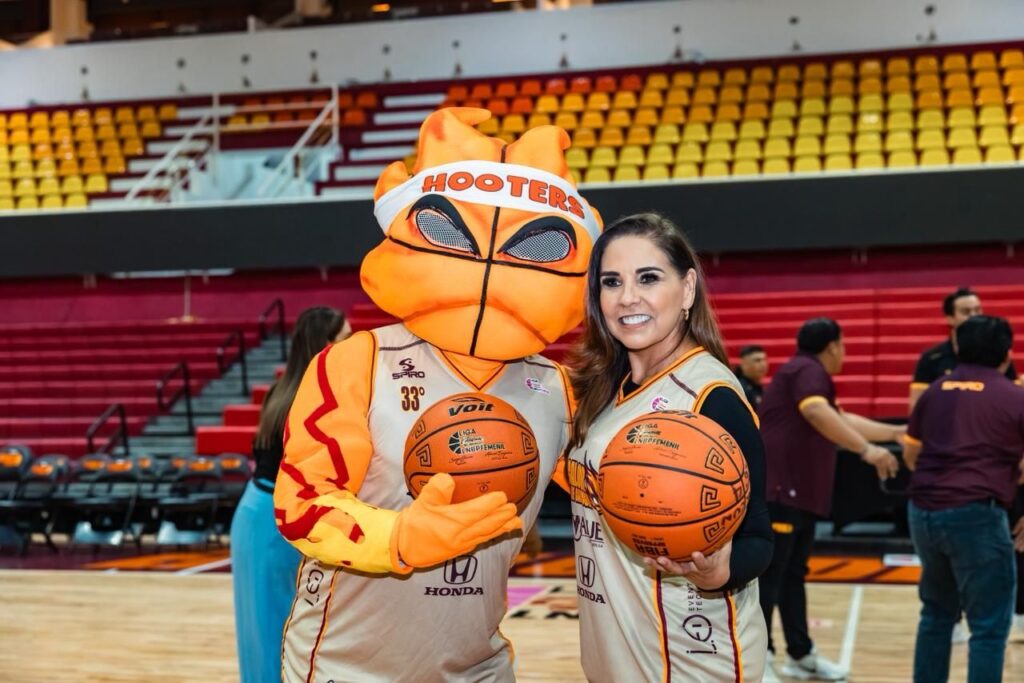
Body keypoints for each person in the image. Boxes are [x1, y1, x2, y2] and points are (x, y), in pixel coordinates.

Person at [273, 107, 602, 682]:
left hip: (478, 665)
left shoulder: (557, 389)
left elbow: (609, 490)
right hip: (347, 665)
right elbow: (301, 503)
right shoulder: (357, 361)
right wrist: (399, 537)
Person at [566, 212, 773, 682]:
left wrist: (718, 573)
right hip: (616, 656)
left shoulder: (710, 396)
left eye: (648, 278)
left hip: (687, 659)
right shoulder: (603, 389)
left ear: (688, 289)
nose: (628, 297)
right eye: (611, 281)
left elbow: (759, 538)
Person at [758, 317, 904, 681]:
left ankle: (800, 654)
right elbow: (816, 412)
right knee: (771, 577)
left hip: (799, 494)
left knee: (793, 575)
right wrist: (868, 451)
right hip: (781, 491)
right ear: (833, 346)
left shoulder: (802, 373)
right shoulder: (808, 370)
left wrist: (894, 434)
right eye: (844, 345)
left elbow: (840, 418)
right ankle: (758, 658)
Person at [229, 306, 349, 683]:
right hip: (275, 517)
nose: (353, 346)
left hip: (256, 510)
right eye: (346, 338)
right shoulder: (311, 398)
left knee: (268, 628)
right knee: (277, 631)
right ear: (325, 344)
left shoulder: (280, 390)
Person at [903, 315, 1024, 683]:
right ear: (1007, 353)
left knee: (936, 615)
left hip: (923, 513)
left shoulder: (934, 391)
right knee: (988, 626)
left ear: (957, 347)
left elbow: (911, 454)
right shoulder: (1015, 396)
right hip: (977, 514)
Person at [909, 287, 1018, 413]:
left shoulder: (997, 353)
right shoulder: (932, 358)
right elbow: (917, 407)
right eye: (966, 312)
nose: (974, 316)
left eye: (977, 310)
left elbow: (1013, 398)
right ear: (950, 318)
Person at [736, 344, 768, 408]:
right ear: (744, 364)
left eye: (764, 359)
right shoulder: (740, 389)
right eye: (757, 360)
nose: (763, 364)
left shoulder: (758, 387)